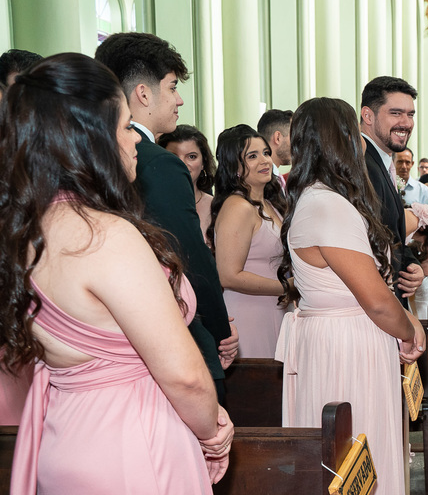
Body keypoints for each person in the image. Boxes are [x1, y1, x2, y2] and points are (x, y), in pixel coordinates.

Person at [1, 53, 230, 495]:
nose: (133, 140)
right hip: (133, 447)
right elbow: (184, 378)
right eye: (123, 125)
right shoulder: (103, 236)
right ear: (90, 137)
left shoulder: (24, 233)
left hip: (66, 442)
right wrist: (214, 432)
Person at [274, 97, 423, 495]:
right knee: (356, 474)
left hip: (337, 344)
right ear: (341, 141)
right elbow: (375, 300)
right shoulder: (328, 206)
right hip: (347, 350)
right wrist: (409, 331)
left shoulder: (313, 200)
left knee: (351, 472)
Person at [95, 32, 237, 400]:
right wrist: (220, 331)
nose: (179, 99)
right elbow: (187, 253)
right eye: (172, 87)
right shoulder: (159, 164)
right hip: (177, 333)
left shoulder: (94, 159)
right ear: (143, 93)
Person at [210, 125, 288, 358]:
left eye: (265, 153)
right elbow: (228, 275)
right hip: (249, 314)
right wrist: (288, 287)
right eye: (252, 156)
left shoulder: (271, 204)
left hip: (274, 310)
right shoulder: (238, 207)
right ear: (234, 167)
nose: (264, 160)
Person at [359, 76, 424, 296]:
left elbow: (390, 232)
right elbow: (367, 243)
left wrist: (410, 263)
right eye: (395, 113)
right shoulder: (361, 165)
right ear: (368, 115)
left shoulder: (382, 162)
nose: (406, 123)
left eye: (410, 114)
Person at [159, 124, 216, 241]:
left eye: (191, 157)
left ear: (203, 162)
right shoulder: (152, 205)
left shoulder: (217, 207)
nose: (182, 164)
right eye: (173, 157)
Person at [256, 108, 293, 191]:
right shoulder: (263, 182)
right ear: (278, 138)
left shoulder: (276, 178)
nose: (297, 144)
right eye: (293, 137)